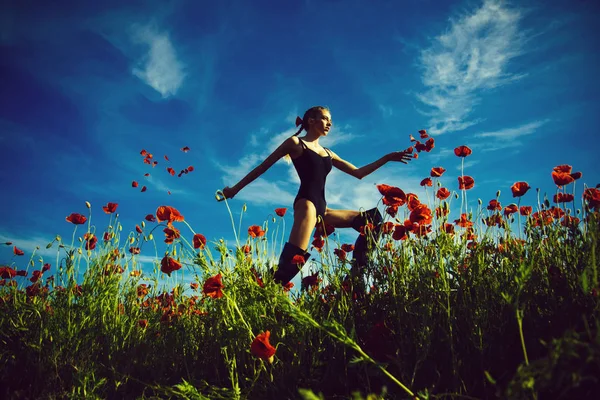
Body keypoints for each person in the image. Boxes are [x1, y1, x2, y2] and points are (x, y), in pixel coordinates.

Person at [220, 106, 412, 286]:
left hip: (323, 209)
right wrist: (234, 190)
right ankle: (262, 290)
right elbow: (263, 167)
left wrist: (387, 158)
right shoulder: (296, 143)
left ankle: (355, 277)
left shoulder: (328, 152)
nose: (330, 123)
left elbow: (359, 173)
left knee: (373, 220)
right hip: (306, 204)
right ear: (311, 121)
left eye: (330, 120)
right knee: (294, 261)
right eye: (325, 119)